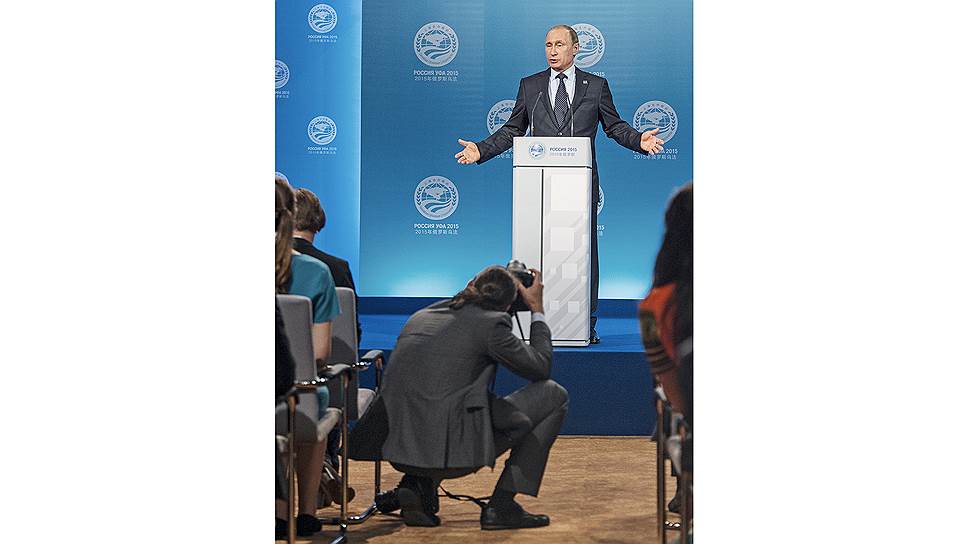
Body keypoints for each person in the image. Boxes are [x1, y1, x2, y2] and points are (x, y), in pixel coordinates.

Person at [454, 24, 664, 344]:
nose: (552, 51)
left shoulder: (596, 86)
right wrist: (481, 149)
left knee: (583, 254)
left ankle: (585, 323)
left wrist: (639, 140)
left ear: (575, 48)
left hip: (579, 187)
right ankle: (532, 320)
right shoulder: (531, 85)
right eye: (548, 45)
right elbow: (513, 129)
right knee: (538, 252)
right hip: (539, 186)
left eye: (559, 44)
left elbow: (614, 126)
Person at [352, 265, 569, 530]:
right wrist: (537, 309)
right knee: (553, 395)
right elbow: (540, 368)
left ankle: (416, 484)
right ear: (510, 303)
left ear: (469, 285)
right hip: (450, 455)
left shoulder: (422, 315)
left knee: (449, 404)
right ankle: (501, 506)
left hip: (396, 448)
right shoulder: (492, 323)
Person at [274, 177, 341, 537]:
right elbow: (319, 354)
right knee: (312, 393)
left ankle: (277, 510)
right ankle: (306, 512)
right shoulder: (316, 272)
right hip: (295, 394)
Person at [638, 183, 692, 514]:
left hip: (691, 431)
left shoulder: (651, 310)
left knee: (669, 410)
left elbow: (677, 399)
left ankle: (686, 486)